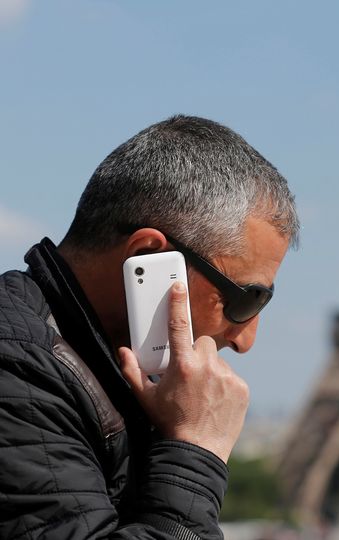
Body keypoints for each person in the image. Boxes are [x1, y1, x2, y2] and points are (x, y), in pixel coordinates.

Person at [0, 115, 300, 539]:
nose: (246, 340)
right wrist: (197, 450)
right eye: (247, 299)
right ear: (148, 259)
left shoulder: (75, 364)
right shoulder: (16, 370)